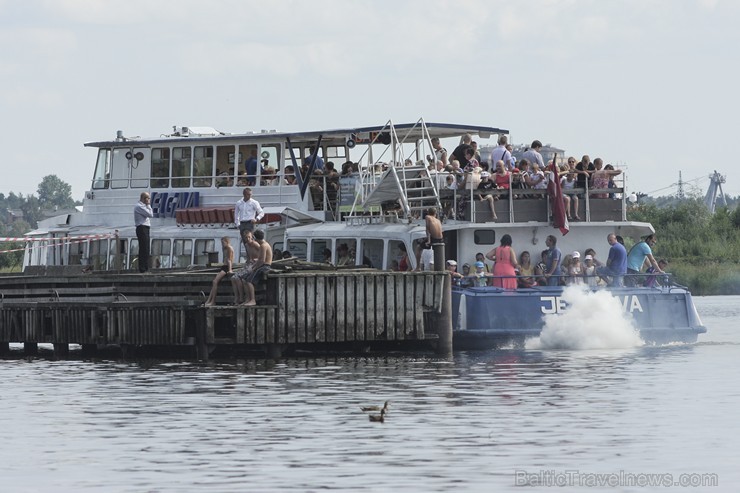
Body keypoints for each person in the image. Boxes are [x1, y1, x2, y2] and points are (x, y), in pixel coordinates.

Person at [240, 229, 273, 306]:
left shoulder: (263, 245)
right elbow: (259, 261)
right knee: (244, 279)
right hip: (262, 265)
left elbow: (261, 261)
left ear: (255, 238)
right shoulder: (264, 244)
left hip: (265, 266)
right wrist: (253, 267)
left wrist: (254, 269)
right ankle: (247, 299)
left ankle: (253, 300)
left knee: (249, 281)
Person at [204, 237, 235, 306]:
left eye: (223, 243)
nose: (222, 244)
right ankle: (209, 300)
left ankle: (213, 301)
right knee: (214, 282)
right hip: (224, 266)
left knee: (215, 281)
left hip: (226, 267)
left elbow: (229, 260)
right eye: (221, 243)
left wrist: (230, 270)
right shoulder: (224, 248)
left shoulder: (229, 248)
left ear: (227, 242)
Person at [134, 191, 154, 273]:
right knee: (144, 248)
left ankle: (145, 267)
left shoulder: (143, 206)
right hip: (142, 228)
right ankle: (143, 268)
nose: (149, 200)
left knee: (146, 248)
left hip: (145, 228)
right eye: (148, 198)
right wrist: (148, 205)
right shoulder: (139, 206)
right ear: (143, 198)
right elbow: (150, 214)